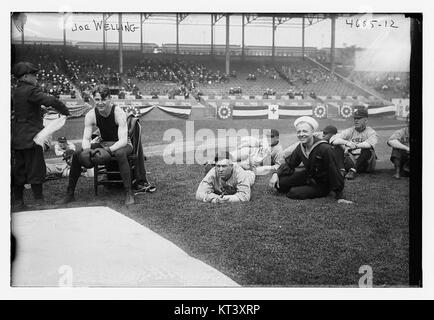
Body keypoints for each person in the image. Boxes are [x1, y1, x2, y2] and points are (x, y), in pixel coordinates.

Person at [59, 85, 135, 205]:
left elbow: (123, 141)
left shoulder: (118, 112)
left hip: (122, 144)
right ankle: (70, 193)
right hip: (104, 142)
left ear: (110, 98)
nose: (100, 103)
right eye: (97, 100)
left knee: (120, 154)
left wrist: (108, 150)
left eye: (104, 99)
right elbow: (86, 138)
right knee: (78, 153)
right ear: (94, 99)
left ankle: (128, 193)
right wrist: (87, 151)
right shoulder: (91, 115)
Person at [11, 62, 71, 210]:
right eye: (33, 75)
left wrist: (38, 112)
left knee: (19, 168)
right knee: (36, 168)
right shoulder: (31, 91)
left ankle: (18, 201)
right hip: (32, 137)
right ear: (25, 76)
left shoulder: (16, 91)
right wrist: (65, 111)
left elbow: (23, 111)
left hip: (17, 136)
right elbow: (51, 101)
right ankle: (39, 200)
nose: (36, 78)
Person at [269, 116, 345, 200]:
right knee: (279, 184)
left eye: (305, 131)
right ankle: (305, 186)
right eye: (299, 132)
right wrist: (276, 174)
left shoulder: (324, 148)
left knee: (293, 193)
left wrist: (339, 195)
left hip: (322, 183)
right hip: (308, 176)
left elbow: (334, 170)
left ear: (312, 131)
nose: (301, 134)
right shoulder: (301, 146)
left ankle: (319, 190)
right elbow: (290, 164)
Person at [329, 107, 378, 180]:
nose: (356, 120)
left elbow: (369, 144)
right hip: (352, 160)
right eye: (355, 118)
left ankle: (353, 170)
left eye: (359, 118)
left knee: (367, 149)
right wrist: (346, 143)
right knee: (337, 146)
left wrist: (355, 146)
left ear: (366, 120)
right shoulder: (350, 130)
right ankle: (342, 170)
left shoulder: (371, 132)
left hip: (366, 163)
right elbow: (332, 139)